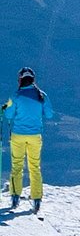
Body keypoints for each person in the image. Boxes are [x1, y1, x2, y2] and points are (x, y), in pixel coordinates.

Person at [2, 67, 55, 213]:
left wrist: (6, 108)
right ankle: (36, 199)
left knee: (17, 166)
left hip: (18, 135)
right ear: (33, 79)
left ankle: (15, 197)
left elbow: (8, 115)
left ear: (20, 79)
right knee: (34, 167)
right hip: (35, 136)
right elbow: (49, 114)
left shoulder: (15, 96)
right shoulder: (41, 95)